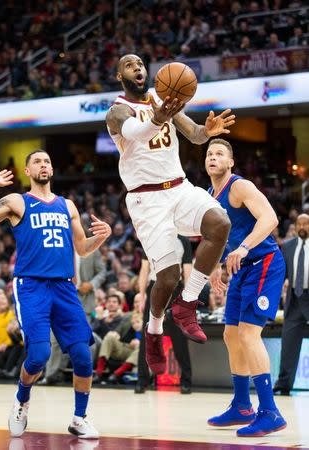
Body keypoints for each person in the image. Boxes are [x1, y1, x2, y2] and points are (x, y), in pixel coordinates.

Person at [0, 150, 111, 439]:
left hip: (64, 287)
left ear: (52, 169)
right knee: (39, 354)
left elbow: (82, 249)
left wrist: (102, 236)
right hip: (31, 286)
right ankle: (21, 400)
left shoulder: (67, 205)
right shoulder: (18, 201)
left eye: (47, 161)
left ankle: (79, 418)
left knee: (83, 356)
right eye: (37, 162)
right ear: (28, 171)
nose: (43, 165)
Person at [106, 54, 234, 375]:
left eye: (140, 64)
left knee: (220, 224)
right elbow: (137, 132)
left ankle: (187, 304)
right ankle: (153, 331)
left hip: (178, 187)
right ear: (119, 76)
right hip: (146, 200)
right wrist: (159, 116)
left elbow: (194, 134)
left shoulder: (162, 98)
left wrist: (209, 130)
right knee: (168, 277)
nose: (138, 68)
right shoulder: (118, 111)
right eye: (129, 65)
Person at [205, 139, 287, 437]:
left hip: (264, 262)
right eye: (209, 153)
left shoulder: (239, 186)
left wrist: (242, 247)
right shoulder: (209, 195)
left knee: (249, 334)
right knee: (230, 334)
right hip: (240, 268)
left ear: (230, 163)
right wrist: (215, 266)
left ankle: (270, 412)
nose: (213, 157)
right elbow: (215, 237)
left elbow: (270, 218)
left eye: (219, 154)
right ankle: (242, 406)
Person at [135, 236, 193, 394]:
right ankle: (142, 380)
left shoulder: (184, 241)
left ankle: (186, 381)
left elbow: (187, 271)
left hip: (176, 289)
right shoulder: (151, 237)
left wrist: (187, 299)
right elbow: (144, 269)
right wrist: (141, 294)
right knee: (148, 336)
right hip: (155, 287)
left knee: (179, 337)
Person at [273, 213, 309, 395]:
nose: (302, 227)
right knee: (288, 345)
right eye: (299, 224)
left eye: (306, 224)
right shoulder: (287, 247)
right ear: (295, 226)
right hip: (294, 299)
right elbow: (280, 274)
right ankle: (283, 384)